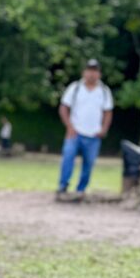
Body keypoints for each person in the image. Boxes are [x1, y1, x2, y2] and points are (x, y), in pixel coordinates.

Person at [56, 58, 113, 199]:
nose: (91, 74)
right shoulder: (75, 88)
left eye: (94, 71)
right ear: (84, 72)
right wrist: (69, 126)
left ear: (99, 74)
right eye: (89, 71)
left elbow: (108, 112)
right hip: (75, 132)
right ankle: (63, 185)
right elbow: (63, 107)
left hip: (93, 134)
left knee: (88, 163)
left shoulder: (104, 91)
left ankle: (81, 189)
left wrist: (104, 129)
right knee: (68, 158)